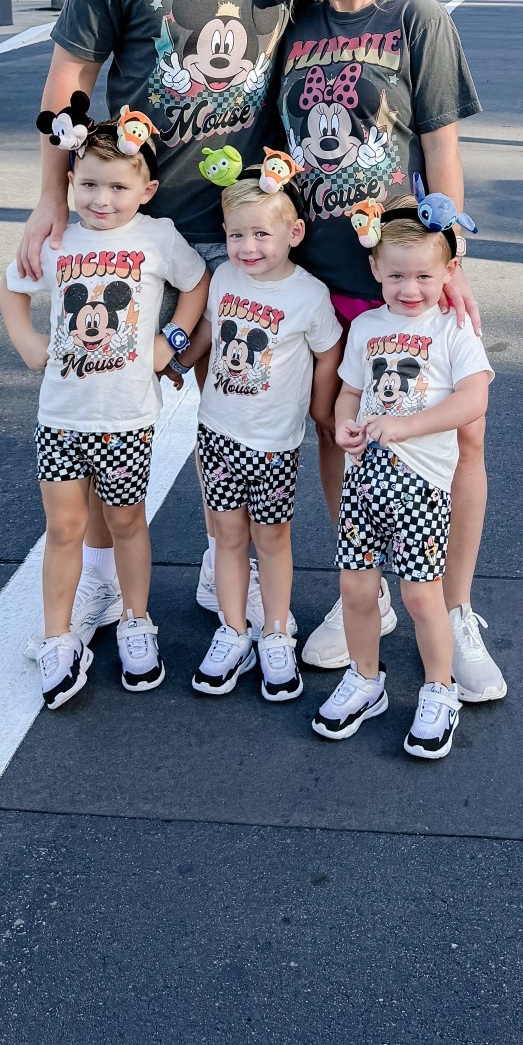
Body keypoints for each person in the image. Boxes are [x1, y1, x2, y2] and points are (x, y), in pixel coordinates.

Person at [15, 0, 292, 650]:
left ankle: (225, 557)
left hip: (244, 222)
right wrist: (51, 198)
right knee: (103, 399)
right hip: (132, 221)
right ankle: (97, 576)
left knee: (233, 402)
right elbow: (69, 79)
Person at [266, 0, 507, 702]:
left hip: (402, 268)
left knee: (460, 431)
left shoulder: (416, 21)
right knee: (341, 427)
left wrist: (455, 264)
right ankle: (365, 586)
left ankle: (456, 603)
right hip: (320, 268)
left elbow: (441, 151)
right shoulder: (291, 33)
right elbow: (271, 151)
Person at [1, 119, 209, 710]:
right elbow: (14, 287)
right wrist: (26, 342)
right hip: (62, 417)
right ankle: (58, 638)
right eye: (89, 184)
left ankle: (136, 619)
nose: (101, 199)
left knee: (125, 523)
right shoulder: (59, 238)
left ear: (145, 189)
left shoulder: (157, 237)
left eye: (118, 188)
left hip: (127, 417)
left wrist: (171, 340)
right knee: (64, 528)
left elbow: (196, 286)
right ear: (71, 182)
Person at [312, 201, 492, 760]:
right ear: (375, 272)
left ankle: (440, 691)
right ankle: (367, 680)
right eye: (396, 275)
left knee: (420, 596)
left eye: (423, 275)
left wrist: (407, 426)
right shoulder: (367, 327)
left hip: (422, 488)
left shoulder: (452, 329)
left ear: (448, 272)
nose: (409, 288)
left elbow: (473, 398)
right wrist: (345, 422)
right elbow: (348, 389)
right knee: (356, 590)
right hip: (364, 483)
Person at [180, 170, 343, 703]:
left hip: (274, 444)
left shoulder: (309, 295)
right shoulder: (223, 278)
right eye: (236, 234)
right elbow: (206, 329)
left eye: (261, 234)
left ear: (294, 233)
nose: (247, 247)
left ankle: (275, 632)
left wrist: (322, 408)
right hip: (219, 435)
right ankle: (234, 631)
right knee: (227, 538)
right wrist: (177, 357)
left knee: (271, 539)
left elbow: (328, 353)